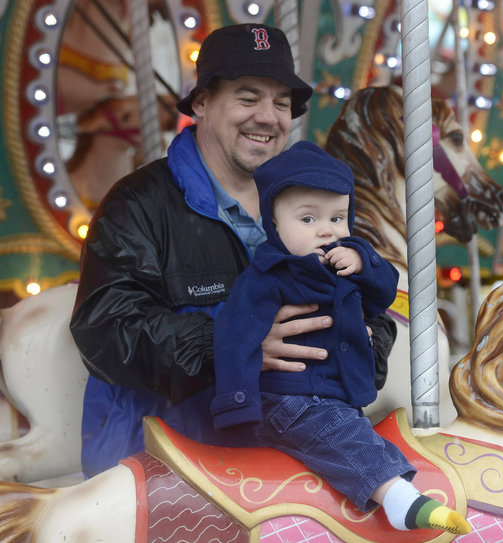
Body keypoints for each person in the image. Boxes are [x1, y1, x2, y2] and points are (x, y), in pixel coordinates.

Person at [69, 23, 397, 478]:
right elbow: (105, 327)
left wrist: (351, 345)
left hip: (297, 446)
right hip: (172, 452)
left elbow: (372, 306)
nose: (268, 116)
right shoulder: (138, 204)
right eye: (248, 97)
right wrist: (232, 344)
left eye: (281, 102)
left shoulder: (310, 204)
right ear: (201, 102)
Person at [212, 140, 469, 534]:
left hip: (331, 395)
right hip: (288, 398)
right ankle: (399, 501)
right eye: (308, 219)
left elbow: (385, 292)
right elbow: (234, 336)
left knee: (365, 435)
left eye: (337, 218)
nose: (326, 230)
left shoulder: (347, 257)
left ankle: (396, 490)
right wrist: (237, 406)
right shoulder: (267, 276)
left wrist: (364, 263)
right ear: (275, 226)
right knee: (339, 434)